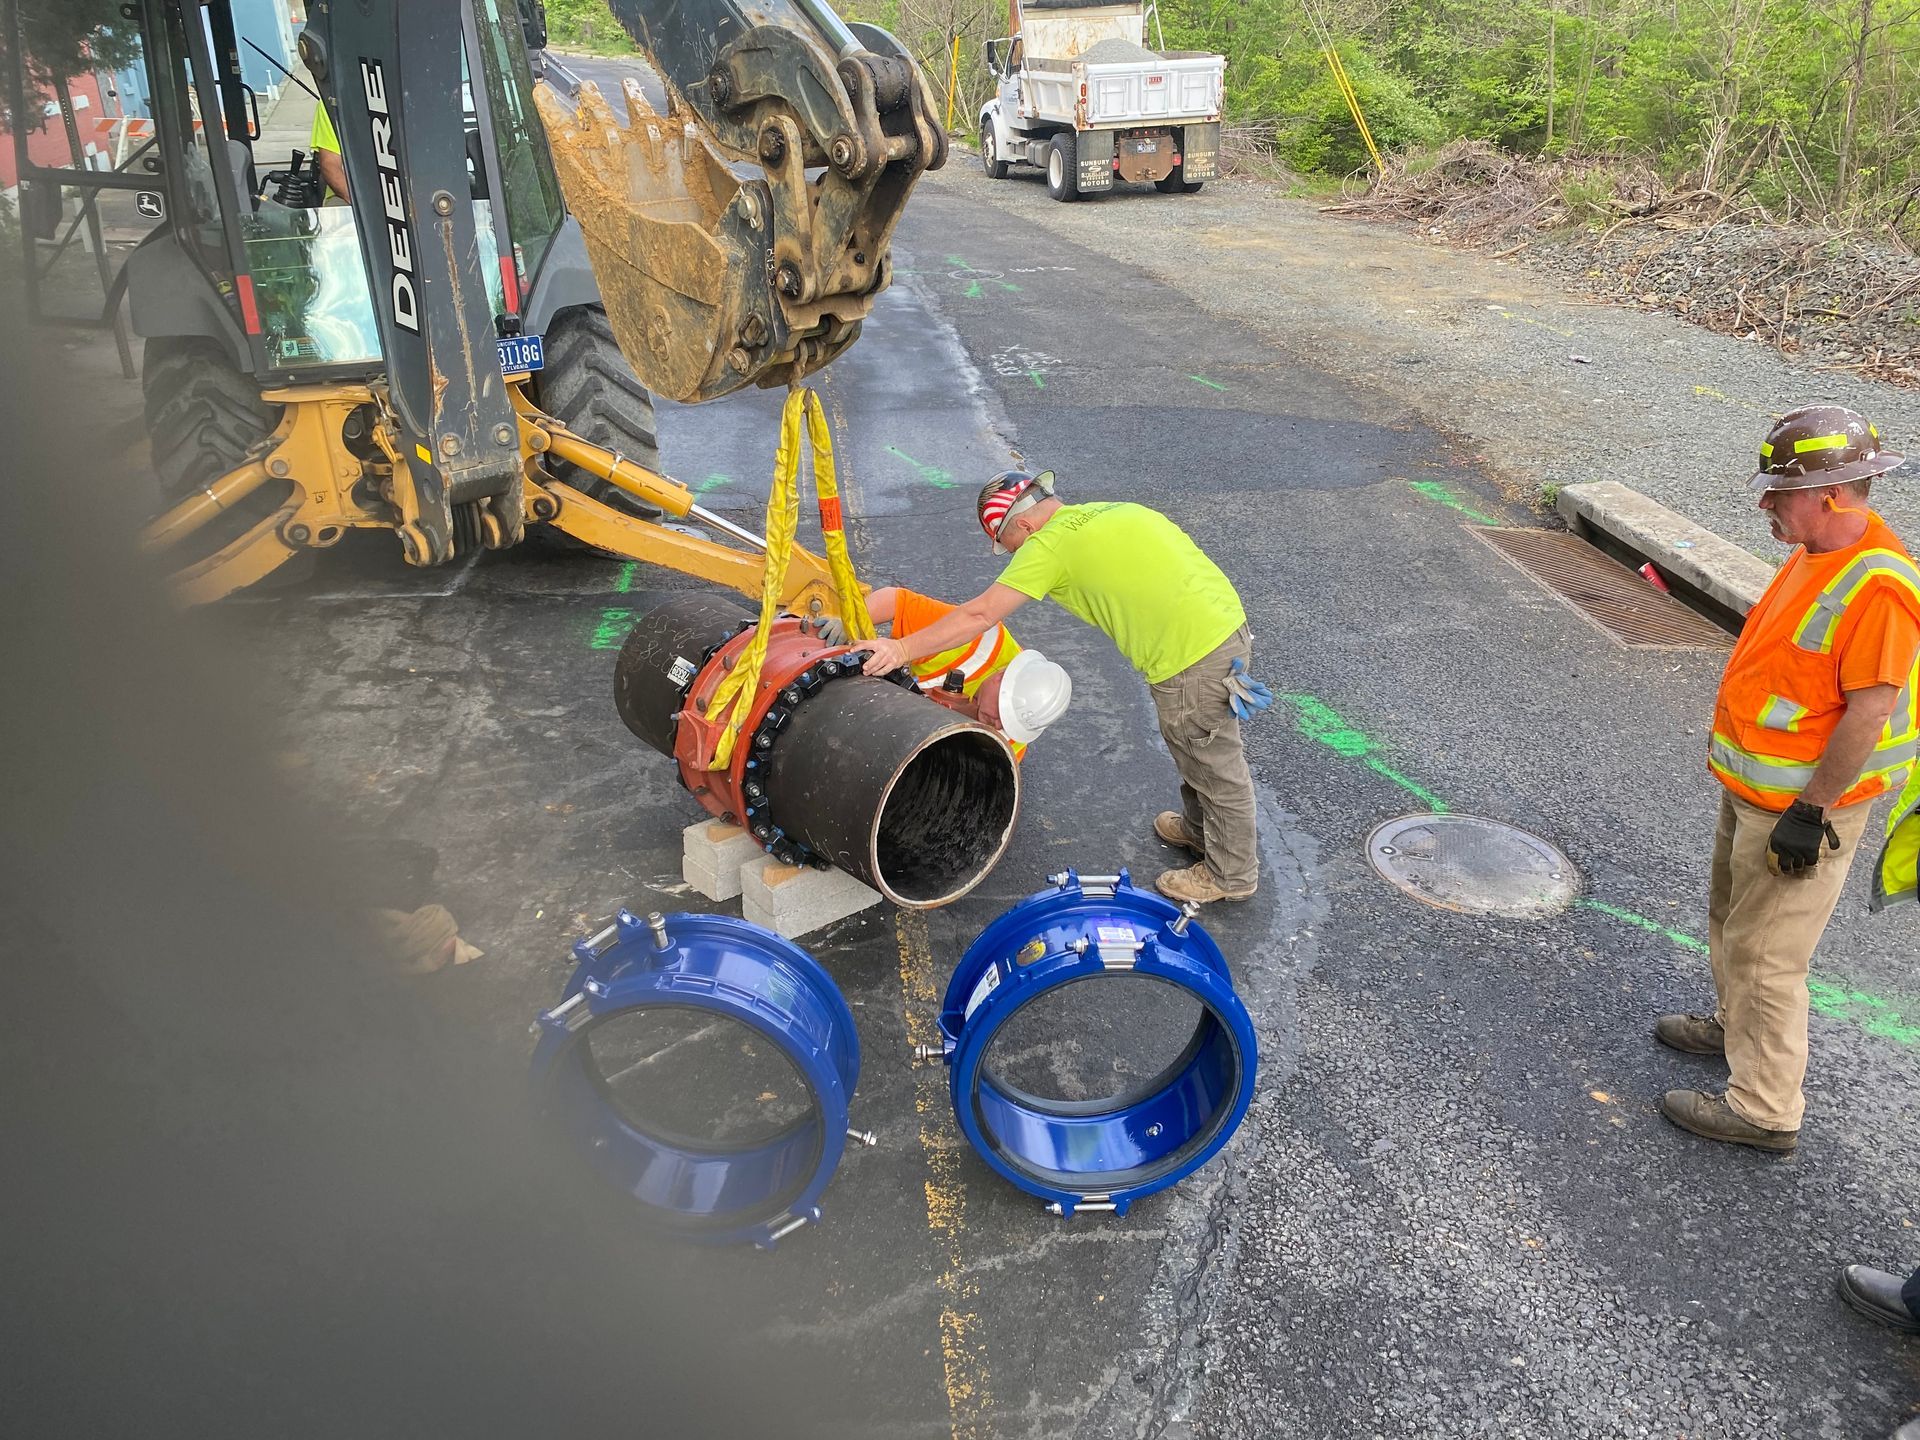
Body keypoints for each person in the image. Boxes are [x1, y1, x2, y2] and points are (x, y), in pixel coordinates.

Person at [1657, 405, 1917, 1154]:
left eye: (1781, 491)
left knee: (1769, 957)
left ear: (1833, 493)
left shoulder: (1880, 588)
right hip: (1757, 793)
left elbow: (1868, 716)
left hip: (1802, 809)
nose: (1765, 503)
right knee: (1734, 923)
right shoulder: (1816, 554)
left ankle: (1765, 1108)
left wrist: (1812, 810)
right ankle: (1734, 1027)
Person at [860, 470, 1268, 905]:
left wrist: (901, 648)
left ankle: (1231, 874)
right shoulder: (1109, 511)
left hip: (1190, 657)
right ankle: (1201, 831)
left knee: (1213, 763)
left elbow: (979, 615)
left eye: (1010, 546)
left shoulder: (1048, 545)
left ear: (1023, 525)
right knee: (1191, 744)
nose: (1015, 555)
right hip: (1221, 631)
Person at [862, 586, 1070, 759]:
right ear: (1001, 678)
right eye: (1002, 712)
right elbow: (897, 602)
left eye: (1008, 724)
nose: (997, 724)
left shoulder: (1012, 739)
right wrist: (850, 622)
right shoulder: (972, 641)